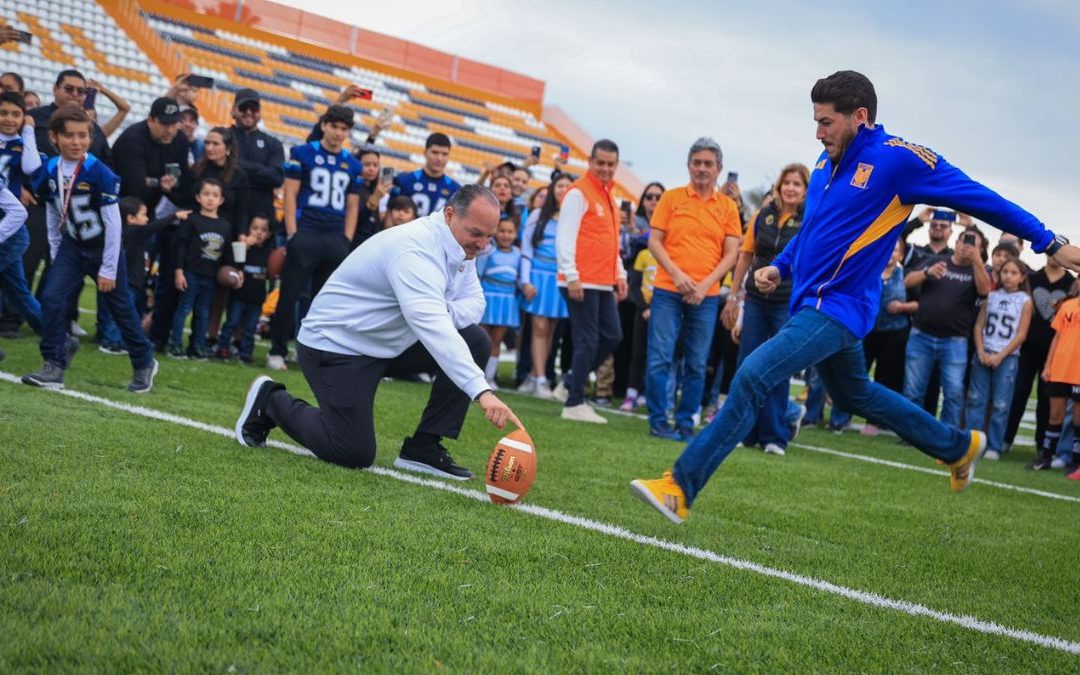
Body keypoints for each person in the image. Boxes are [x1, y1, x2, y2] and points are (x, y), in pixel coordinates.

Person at [630, 70, 1080, 524]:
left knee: (751, 375)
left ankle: (680, 487)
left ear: (859, 117)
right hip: (813, 303)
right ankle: (957, 446)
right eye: (816, 121)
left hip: (839, 308)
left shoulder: (897, 160)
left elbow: (979, 197)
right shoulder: (826, 163)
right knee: (854, 393)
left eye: (826, 122)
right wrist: (779, 266)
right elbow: (812, 232)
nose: (818, 132)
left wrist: (1047, 241)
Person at [234, 186, 522, 481]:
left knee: (475, 339)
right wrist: (482, 392)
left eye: (488, 235)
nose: (483, 244)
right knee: (352, 451)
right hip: (336, 346)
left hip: (384, 343)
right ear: (449, 215)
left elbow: (475, 303)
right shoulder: (415, 248)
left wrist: (439, 311)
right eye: (477, 233)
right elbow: (434, 328)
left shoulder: (459, 244)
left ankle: (424, 447)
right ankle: (271, 401)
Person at [22, 107, 158, 392]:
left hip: (102, 248)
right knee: (51, 297)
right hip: (72, 245)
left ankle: (144, 361)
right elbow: (52, 212)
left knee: (120, 308)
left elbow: (113, 224)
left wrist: (108, 267)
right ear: (54, 137)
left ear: (90, 136)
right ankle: (53, 363)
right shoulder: (50, 169)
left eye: (82, 135)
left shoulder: (100, 173)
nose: (75, 141)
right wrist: (56, 250)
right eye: (68, 135)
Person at [645, 138, 742, 441]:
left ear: (719, 169)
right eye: (697, 162)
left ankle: (686, 422)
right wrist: (677, 276)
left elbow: (731, 253)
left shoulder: (727, 207)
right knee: (660, 357)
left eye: (708, 163)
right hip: (667, 289)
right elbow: (654, 241)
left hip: (707, 295)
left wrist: (703, 285)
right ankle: (658, 421)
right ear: (689, 165)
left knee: (698, 363)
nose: (702, 168)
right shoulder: (671, 198)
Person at [268, 105, 363, 371]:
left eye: (344, 129)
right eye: (334, 126)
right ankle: (276, 351)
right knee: (290, 295)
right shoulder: (302, 153)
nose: (338, 133)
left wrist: (346, 239)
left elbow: (353, 205)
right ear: (324, 125)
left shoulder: (352, 164)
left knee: (322, 302)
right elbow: (291, 195)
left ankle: (306, 351)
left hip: (334, 238)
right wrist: (292, 233)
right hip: (307, 233)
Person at [721, 162, 808, 453]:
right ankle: (744, 432)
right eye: (787, 183)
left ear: (805, 190)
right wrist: (734, 298)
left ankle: (774, 436)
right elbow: (745, 257)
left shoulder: (810, 220)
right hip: (756, 301)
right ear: (779, 186)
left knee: (779, 366)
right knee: (747, 365)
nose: (791, 188)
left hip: (788, 303)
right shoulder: (762, 216)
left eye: (797, 184)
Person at [554, 139, 628, 424]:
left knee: (612, 336)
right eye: (601, 163)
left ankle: (570, 383)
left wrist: (619, 273)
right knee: (587, 340)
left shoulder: (609, 196)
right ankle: (574, 402)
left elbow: (610, 242)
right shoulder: (578, 193)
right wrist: (571, 275)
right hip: (581, 280)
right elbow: (565, 236)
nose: (606, 168)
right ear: (590, 161)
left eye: (611, 164)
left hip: (602, 280)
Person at [902, 225, 990, 426]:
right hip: (921, 335)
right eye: (963, 241)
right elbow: (907, 281)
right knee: (913, 390)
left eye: (972, 244)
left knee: (953, 393)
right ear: (956, 242)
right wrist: (927, 272)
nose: (966, 247)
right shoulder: (937, 261)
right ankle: (910, 432)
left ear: (980, 250)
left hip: (954, 341)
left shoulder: (978, 270)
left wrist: (977, 259)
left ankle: (946, 436)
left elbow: (985, 290)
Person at [1004, 255, 1076, 458]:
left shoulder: (1070, 282)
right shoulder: (1033, 279)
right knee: (1018, 395)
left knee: (1047, 402)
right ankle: (1006, 440)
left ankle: (1042, 447)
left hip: (1055, 351)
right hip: (1027, 347)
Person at [965, 258, 1032, 460]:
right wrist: (981, 351)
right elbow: (978, 326)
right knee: (976, 399)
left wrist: (1000, 355)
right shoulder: (991, 296)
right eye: (1005, 272)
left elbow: (1021, 334)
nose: (1008, 276)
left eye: (1013, 273)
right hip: (984, 352)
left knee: (1001, 403)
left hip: (1007, 357)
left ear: (1022, 277)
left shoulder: (1025, 301)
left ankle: (994, 445)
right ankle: (972, 442)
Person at [518, 173, 573, 399]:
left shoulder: (573, 219)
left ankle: (534, 376)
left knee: (550, 330)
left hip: (560, 279)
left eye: (568, 187)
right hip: (538, 277)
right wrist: (526, 280)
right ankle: (541, 380)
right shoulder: (538, 215)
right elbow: (526, 250)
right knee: (539, 328)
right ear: (553, 189)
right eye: (560, 186)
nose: (563, 190)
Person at [168, 178, 235, 360]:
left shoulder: (225, 225)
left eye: (215, 195)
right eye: (206, 194)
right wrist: (179, 270)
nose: (210, 199)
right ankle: (175, 344)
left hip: (211, 275)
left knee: (204, 312)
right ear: (198, 197)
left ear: (221, 200)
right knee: (184, 309)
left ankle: (197, 346)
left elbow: (228, 253)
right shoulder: (192, 220)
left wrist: (237, 270)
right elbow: (181, 246)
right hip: (191, 272)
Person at [96, 196, 172, 354]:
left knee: (125, 312)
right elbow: (153, 227)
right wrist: (175, 216)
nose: (147, 219)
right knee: (119, 312)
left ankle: (120, 340)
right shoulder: (133, 231)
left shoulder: (133, 235)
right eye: (143, 215)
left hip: (132, 282)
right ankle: (110, 342)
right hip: (127, 282)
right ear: (130, 218)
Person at [858, 238, 918, 436]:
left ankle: (875, 422)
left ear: (901, 255)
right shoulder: (869, 272)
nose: (891, 253)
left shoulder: (907, 276)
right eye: (889, 249)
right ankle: (840, 419)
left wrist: (902, 307)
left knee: (885, 380)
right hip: (867, 331)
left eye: (896, 250)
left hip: (895, 334)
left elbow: (921, 303)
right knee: (857, 374)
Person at [477, 215, 527, 388]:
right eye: (502, 231)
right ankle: (476, 375)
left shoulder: (519, 254)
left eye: (510, 232)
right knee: (481, 338)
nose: (506, 235)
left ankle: (489, 378)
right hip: (487, 297)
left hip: (507, 300)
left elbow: (519, 278)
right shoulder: (488, 250)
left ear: (515, 234)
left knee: (496, 340)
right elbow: (478, 273)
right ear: (496, 232)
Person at [217, 214, 273, 363]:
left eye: (263, 229)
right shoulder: (242, 249)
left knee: (250, 328)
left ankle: (246, 353)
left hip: (257, 298)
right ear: (247, 230)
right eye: (255, 228)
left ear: (269, 234)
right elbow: (233, 263)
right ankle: (223, 348)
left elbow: (272, 274)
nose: (259, 232)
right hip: (239, 295)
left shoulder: (269, 254)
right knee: (231, 323)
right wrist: (245, 246)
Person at [1039, 280, 1080, 478]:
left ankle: (1076, 462)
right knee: (1055, 415)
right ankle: (1046, 457)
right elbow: (1056, 337)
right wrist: (1048, 365)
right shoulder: (1067, 306)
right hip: (1060, 369)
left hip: (1078, 372)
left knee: (1078, 419)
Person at [229, 89, 285, 235]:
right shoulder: (223, 137)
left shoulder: (273, 143)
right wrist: (261, 169)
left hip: (260, 220)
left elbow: (277, 178)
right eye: (243, 108)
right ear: (234, 110)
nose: (248, 112)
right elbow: (222, 169)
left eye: (253, 108)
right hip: (227, 214)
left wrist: (237, 165)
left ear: (259, 112)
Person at [622, 235, 658, 412]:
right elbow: (634, 284)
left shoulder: (671, 256)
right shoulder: (643, 255)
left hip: (662, 311)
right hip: (642, 310)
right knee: (638, 352)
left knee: (657, 354)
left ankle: (647, 392)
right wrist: (644, 307)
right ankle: (631, 393)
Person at [0, 172, 39, 336]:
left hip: (10, 236)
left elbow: (18, 212)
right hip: (10, 236)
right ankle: (60, 341)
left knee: (20, 294)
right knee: (20, 295)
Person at [391, 132, 460, 217]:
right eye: (435, 152)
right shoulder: (404, 180)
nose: (439, 158)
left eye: (444, 154)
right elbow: (389, 216)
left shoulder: (455, 190)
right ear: (425, 152)